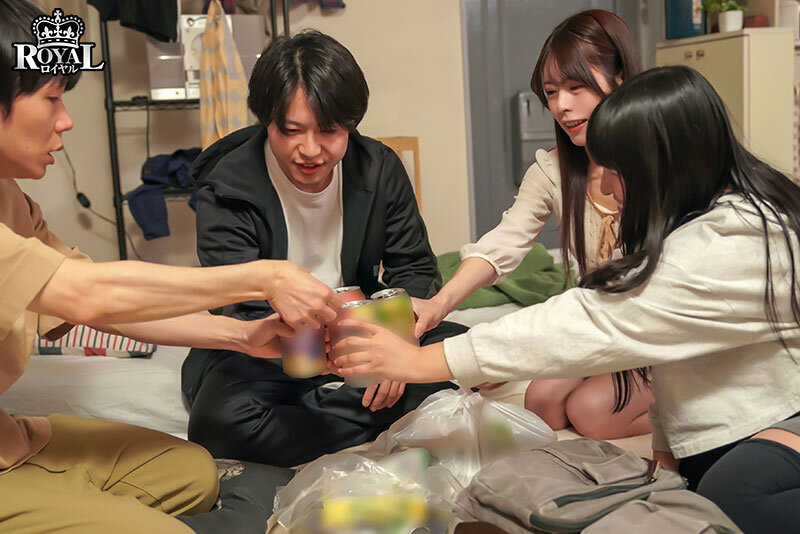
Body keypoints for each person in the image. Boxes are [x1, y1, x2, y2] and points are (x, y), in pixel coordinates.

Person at [332, 65, 800, 534]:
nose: (608, 187)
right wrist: (664, 459)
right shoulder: (675, 222)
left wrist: (419, 362)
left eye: (616, 171)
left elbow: (594, 319)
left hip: (784, 414)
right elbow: (661, 349)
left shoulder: (736, 241)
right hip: (724, 425)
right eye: (551, 91)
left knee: (734, 496)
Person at [0, 1, 339, 531]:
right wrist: (264, 276)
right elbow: (90, 294)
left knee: (194, 473)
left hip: (11, 438)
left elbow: (102, 308)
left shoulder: (12, 201)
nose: (66, 119)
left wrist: (242, 336)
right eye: (52, 98)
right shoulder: (229, 178)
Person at [183, 29, 468, 468]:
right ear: (267, 121)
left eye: (329, 131)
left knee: (467, 355)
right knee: (219, 426)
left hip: (367, 328)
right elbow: (239, 305)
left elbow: (413, 268)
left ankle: (315, 416)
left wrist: (396, 342)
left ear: (350, 124)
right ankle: (372, 413)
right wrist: (336, 353)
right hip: (270, 344)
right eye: (291, 131)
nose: (310, 150)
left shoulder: (378, 169)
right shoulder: (226, 186)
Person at [411, 10, 652, 439]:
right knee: (542, 403)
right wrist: (439, 304)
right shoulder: (553, 171)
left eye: (575, 87)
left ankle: (689, 403)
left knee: (590, 412)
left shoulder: (656, 160)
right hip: (599, 327)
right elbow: (504, 242)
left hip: (653, 330)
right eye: (551, 92)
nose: (561, 106)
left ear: (619, 78)